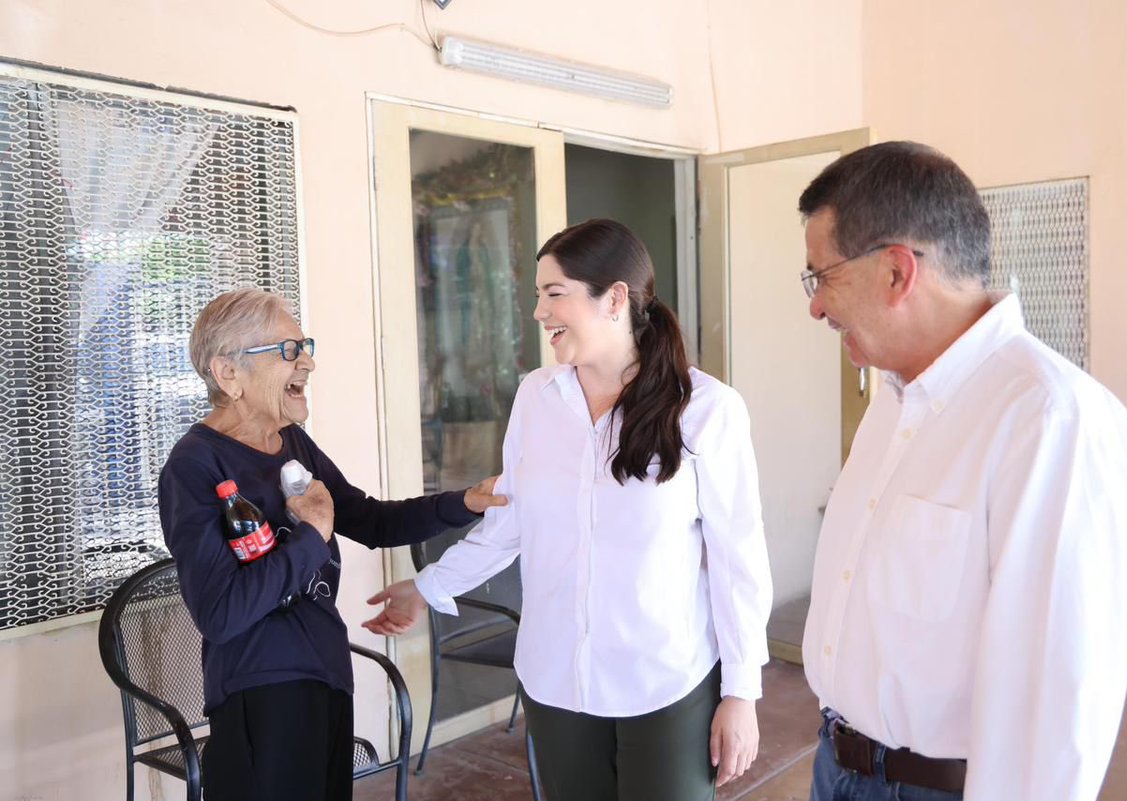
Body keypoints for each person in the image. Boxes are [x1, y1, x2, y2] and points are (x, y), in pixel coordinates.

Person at [363, 218, 773, 801]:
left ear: (614, 299)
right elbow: (511, 519)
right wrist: (427, 587)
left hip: (665, 682)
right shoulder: (538, 396)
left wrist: (742, 693)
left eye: (554, 294)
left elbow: (738, 562)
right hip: (556, 680)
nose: (539, 312)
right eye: (537, 295)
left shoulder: (706, 410)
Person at [796, 142, 1127, 801]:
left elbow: (1057, 703)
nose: (816, 307)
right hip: (837, 765)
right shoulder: (892, 405)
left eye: (823, 277)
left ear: (898, 272)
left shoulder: (1051, 419)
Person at [158, 288, 506, 801]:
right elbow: (221, 613)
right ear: (228, 374)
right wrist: (312, 534)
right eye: (288, 351)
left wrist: (465, 503)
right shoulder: (194, 467)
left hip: (325, 673)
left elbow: (370, 520)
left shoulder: (291, 443)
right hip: (261, 691)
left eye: (304, 346)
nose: (308, 363)